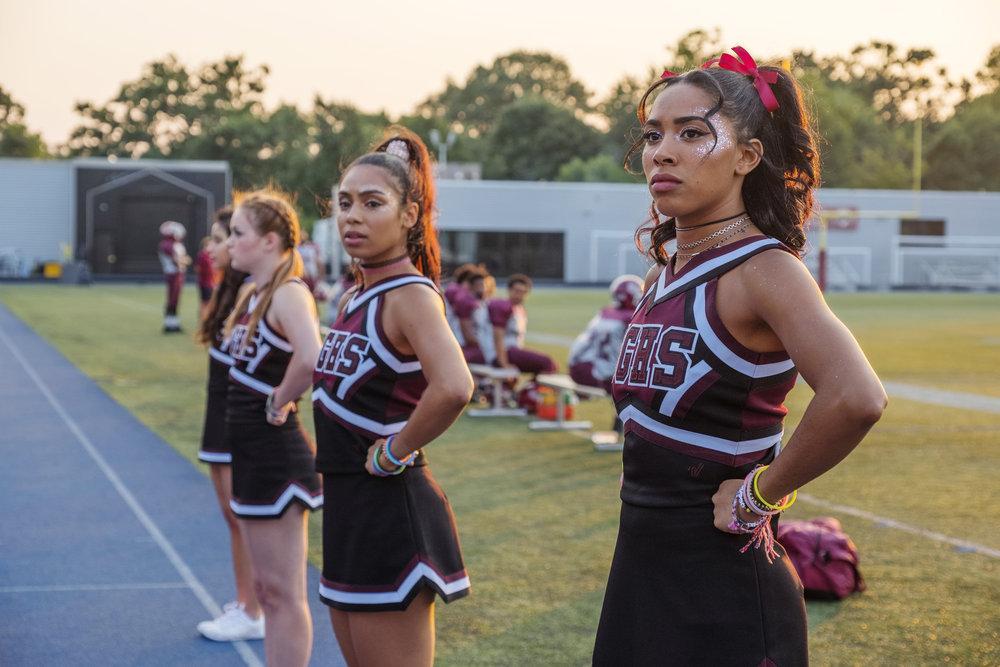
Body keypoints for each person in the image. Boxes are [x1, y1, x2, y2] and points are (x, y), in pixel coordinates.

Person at [592, 47, 887, 665]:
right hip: (640, 570)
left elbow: (857, 396)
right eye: (653, 135)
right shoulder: (662, 276)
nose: (661, 151)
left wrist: (762, 493)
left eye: (692, 133)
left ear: (747, 156)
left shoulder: (765, 269)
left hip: (723, 586)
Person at [313, 127, 473, 666]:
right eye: (345, 203)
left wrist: (395, 449)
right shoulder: (358, 294)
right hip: (349, 509)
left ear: (410, 215)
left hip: (390, 512)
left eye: (372, 203)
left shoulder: (409, 295)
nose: (352, 216)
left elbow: (455, 385)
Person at [224, 191, 323, 667]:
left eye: (238, 234)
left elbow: (311, 357)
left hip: (276, 455)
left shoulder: (288, 292)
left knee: (283, 594)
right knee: (267, 590)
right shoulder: (255, 293)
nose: (229, 243)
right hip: (251, 452)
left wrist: (278, 400)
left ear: (268, 241)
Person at [192, 207, 263, 642]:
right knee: (232, 516)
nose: (216, 247)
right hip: (219, 416)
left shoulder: (259, 293)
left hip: (239, 421)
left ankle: (252, 611)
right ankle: (246, 601)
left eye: (225, 237)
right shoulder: (230, 294)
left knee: (241, 517)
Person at [568, 274, 643, 434]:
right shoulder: (630, 318)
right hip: (596, 373)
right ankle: (625, 424)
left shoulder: (605, 313)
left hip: (577, 366)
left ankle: (620, 420)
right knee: (640, 384)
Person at [481, 274, 557, 375]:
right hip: (503, 353)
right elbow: (498, 337)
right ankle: (532, 391)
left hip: (511, 351)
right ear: (509, 290)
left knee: (548, 364)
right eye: (517, 291)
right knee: (547, 363)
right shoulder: (503, 306)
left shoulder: (520, 310)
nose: (519, 295)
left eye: (523, 292)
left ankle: (530, 389)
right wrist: (504, 364)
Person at [157, 220, 190, 333]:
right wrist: (184, 261)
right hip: (174, 274)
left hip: (174, 274)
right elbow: (179, 261)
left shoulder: (171, 244)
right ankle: (170, 324)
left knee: (174, 300)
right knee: (172, 299)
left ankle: (173, 323)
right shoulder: (169, 245)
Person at [194, 235, 218, 322]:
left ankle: (206, 319)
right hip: (205, 283)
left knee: (209, 302)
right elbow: (197, 268)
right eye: (210, 244)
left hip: (210, 282)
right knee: (205, 302)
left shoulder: (209, 255)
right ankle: (203, 320)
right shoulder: (202, 255)